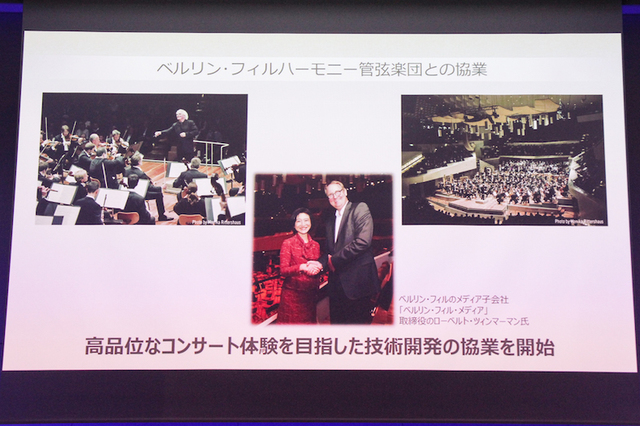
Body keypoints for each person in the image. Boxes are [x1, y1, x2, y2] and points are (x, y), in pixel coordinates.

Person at [315, 181, 380, 324]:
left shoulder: (359, 208)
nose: (335, 196)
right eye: (330, 194)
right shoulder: (330, 220)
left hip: (358, 284)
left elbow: (363, 242)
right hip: (336, 286)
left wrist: (333, 260)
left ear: (345, 192)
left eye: (337, 192)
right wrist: (319, 264)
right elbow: (329, 251)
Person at [277, 208, 322, 324]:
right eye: (299, 221)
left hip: (310, 297)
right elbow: (283, 270)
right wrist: (301, 267)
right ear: (294, 224)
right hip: (292, 297)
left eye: (306, 220)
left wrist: (318, 270)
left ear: (311, 222)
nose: (303, 224)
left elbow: (317, 267)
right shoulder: (288, 243)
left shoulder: (316, 245)